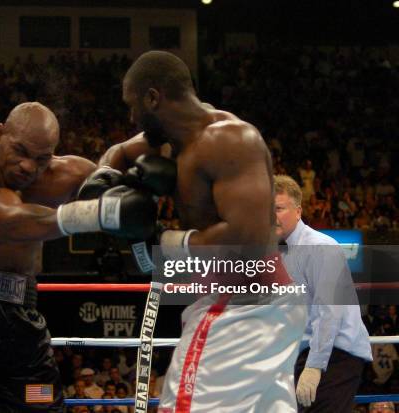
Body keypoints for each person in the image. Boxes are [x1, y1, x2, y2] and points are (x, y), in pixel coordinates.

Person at [94, 50, 307, 411]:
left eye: (132, 106)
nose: (131, 117)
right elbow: (118, 152)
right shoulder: (170, 140)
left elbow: (249, 242)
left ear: (152, 98)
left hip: (244, 308)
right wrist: (103, 183)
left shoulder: (230, 140)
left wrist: (164, 240)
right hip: (257, 304)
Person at [0, 102, 158, 413]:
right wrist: (95, 214)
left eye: (41, 159)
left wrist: (169, 130)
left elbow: (120, 159)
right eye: (20, 151)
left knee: (40, 403)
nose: (28, 166)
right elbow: (11, 221)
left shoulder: (68, 172)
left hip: (20, 312)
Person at [274, 175, 372, 412]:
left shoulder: (322, 247)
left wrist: (315, 366)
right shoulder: (277, 253)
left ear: (298, 212)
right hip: (303, 354)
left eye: (278, 208)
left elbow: (329, 312)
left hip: (336, 353)